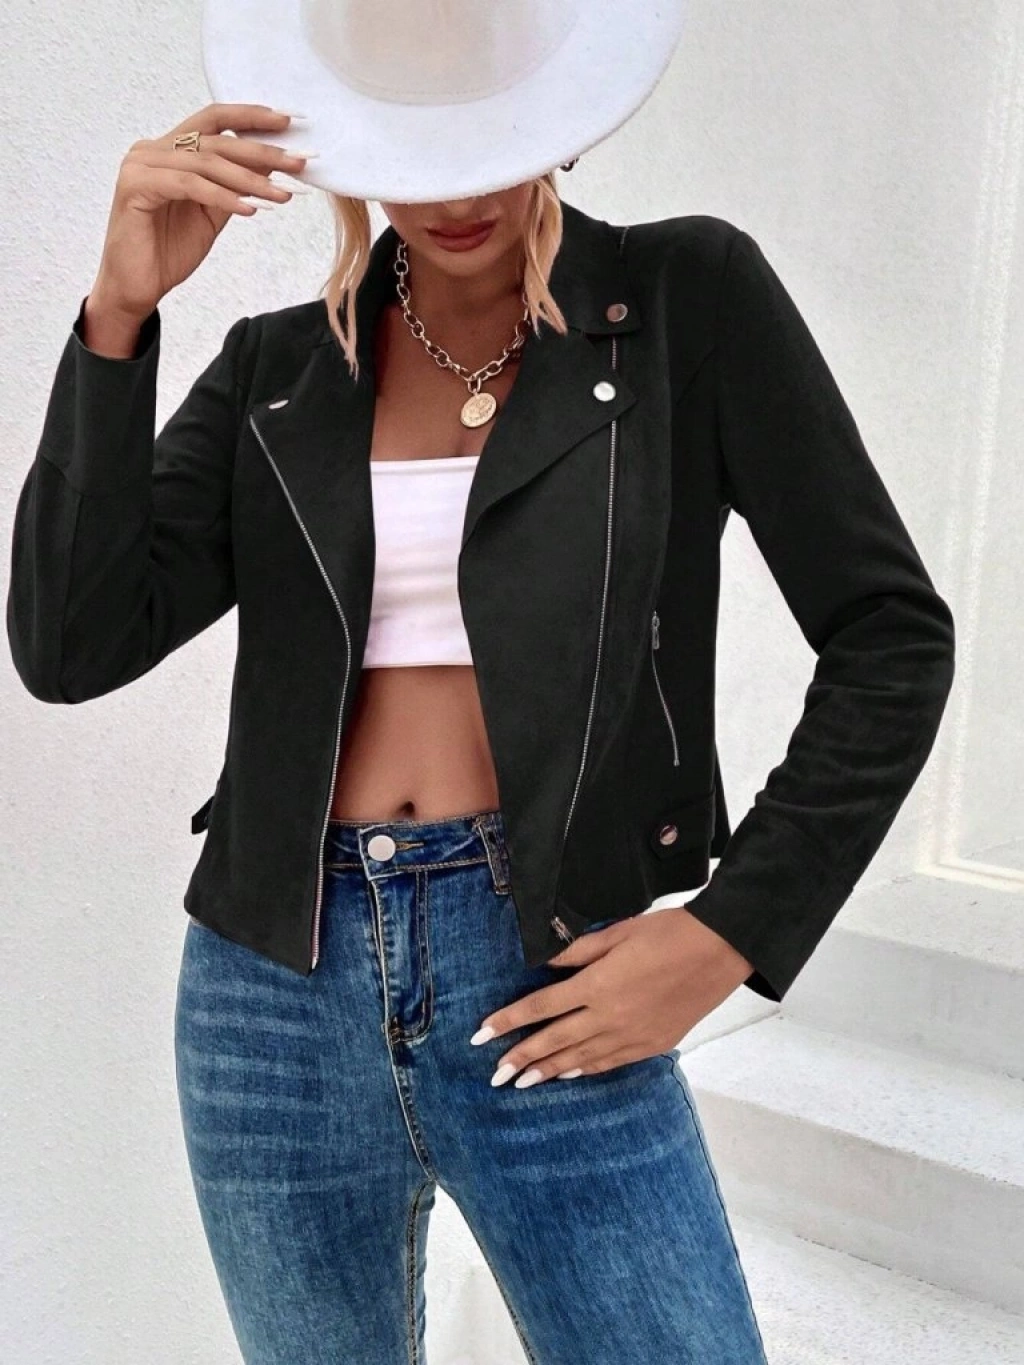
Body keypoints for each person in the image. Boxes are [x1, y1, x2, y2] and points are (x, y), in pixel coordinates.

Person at [6, 4, 955, 1362]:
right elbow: (70, 644)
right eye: (414, 147)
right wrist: (117, 318)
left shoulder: (680, 300)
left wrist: (733, 931)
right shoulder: (278, 370)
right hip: (271, 996)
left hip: (544, 964)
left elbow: (889, 633)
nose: (457, 192)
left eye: (489, 138)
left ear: (558, 110)